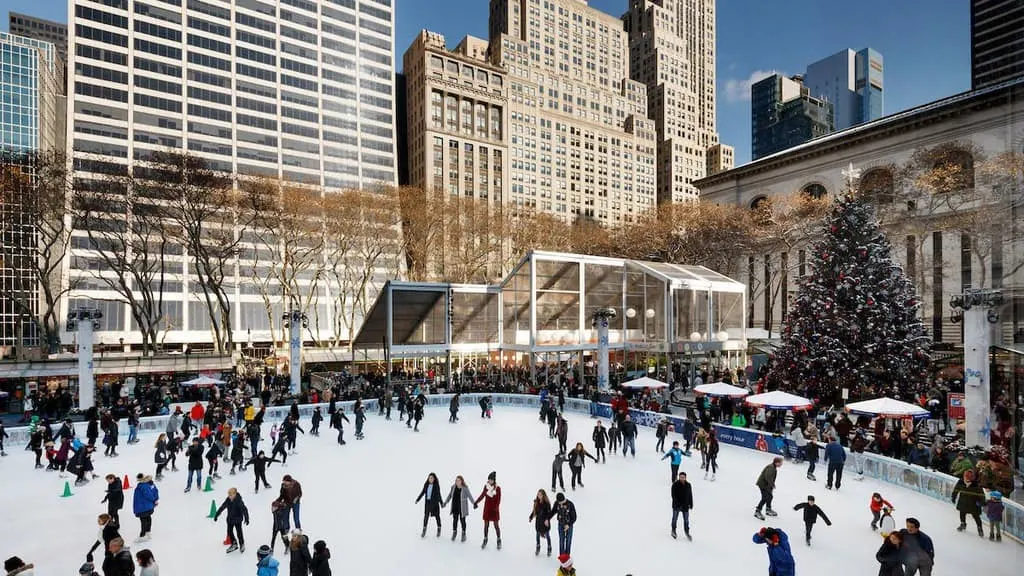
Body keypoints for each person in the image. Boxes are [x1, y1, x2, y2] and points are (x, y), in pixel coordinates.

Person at [215, 487, 251, 553]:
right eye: (229, 495)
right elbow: (223, 506)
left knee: (239, 532)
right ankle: (234, 543)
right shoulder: (228, 500)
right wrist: (217, 514)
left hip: (237, 519)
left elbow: (244, 509)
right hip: (230, 519)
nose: (229, 496)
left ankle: (242, 544)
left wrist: (247, 518)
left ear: (235, 494)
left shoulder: (239, 501)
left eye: (231, 495)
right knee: (229, 532)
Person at [951, 469, 985, 536]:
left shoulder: (976, 484)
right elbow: (956, 489)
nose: (967, 479)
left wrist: (982, 502)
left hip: (974, 503)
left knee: (976, 516)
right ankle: (963, 523)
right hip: (963, 500)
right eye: (966, 477)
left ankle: (979, 528)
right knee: (962, 513)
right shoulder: (961, 482)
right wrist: (953, 497)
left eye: (969, 478)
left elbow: (981, 494)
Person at [442, 475, 475, 542]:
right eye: (456, 480)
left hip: (462, 508)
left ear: (461, 481)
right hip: (455, 507)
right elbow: (449, 496)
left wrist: (474, 503)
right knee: (455, 520)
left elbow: (470, 496)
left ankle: (463, 533)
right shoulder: (453, 487)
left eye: (458, 480)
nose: (457, 482)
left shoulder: (465, 488)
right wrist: (445, 502)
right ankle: (454, 532)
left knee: (462, 521)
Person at [474, 471, 502, 549]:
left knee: (496, 525)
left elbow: (499, 500)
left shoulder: (498, 488)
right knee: (486, 525)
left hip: (494, 510)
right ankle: (485, 539)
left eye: (491, 480)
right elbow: (482, 495)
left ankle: (499, 539)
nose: (489, 481)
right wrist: (476, 502)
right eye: (489, 479)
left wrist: (496, 508)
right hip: (487, 509)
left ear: (494, 480)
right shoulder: (486, 487)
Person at [415, 472, 444, 538]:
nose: (430, 479)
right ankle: (424, 530)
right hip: (427, 503)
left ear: (434, 479)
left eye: (431, 478)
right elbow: (422, 492)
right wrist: (418, 499)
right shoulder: (426, 485)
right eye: (429, 478)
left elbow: (439, 495)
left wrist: (441, 503)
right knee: (426, 516)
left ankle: (439, 528)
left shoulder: (436, 486)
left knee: (437, 516)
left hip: (435, 503)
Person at [133, 474, 159, 543]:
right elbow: (155, 491)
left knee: (143, 521)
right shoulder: (149, 484)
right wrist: (155, 500)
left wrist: (154, 500)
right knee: (148, 518)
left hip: (143, 507)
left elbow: (148, 495)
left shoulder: (142, 486)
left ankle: (142, 536)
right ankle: (148, 532)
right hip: (148, 506)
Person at [529, 489, 554, 556]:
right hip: (538, 522)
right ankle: (538, 546)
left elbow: (549, 513)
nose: (539, 496)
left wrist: (547, 519)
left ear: (543, 495)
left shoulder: (547, 503)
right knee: (537, 534)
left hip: (545, 522)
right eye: (538, 494)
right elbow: (534, 511)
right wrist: (531, 517)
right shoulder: (536, 502)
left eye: (540, 494)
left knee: (547, 535)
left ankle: (549, 548)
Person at [670, 471, 693, 540]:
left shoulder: (688, 485)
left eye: (683, 477)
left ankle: (687, 532)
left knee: (686, 520)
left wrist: (691, 504)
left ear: (685, 478)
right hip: (677, 505)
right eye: (681, 477)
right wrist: (677, 503)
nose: (682, 478)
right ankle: (673, 530)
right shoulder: (675, 484)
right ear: (679, 477)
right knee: (675, 518)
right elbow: (673, 496)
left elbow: (690, 495)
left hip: (685, 505)